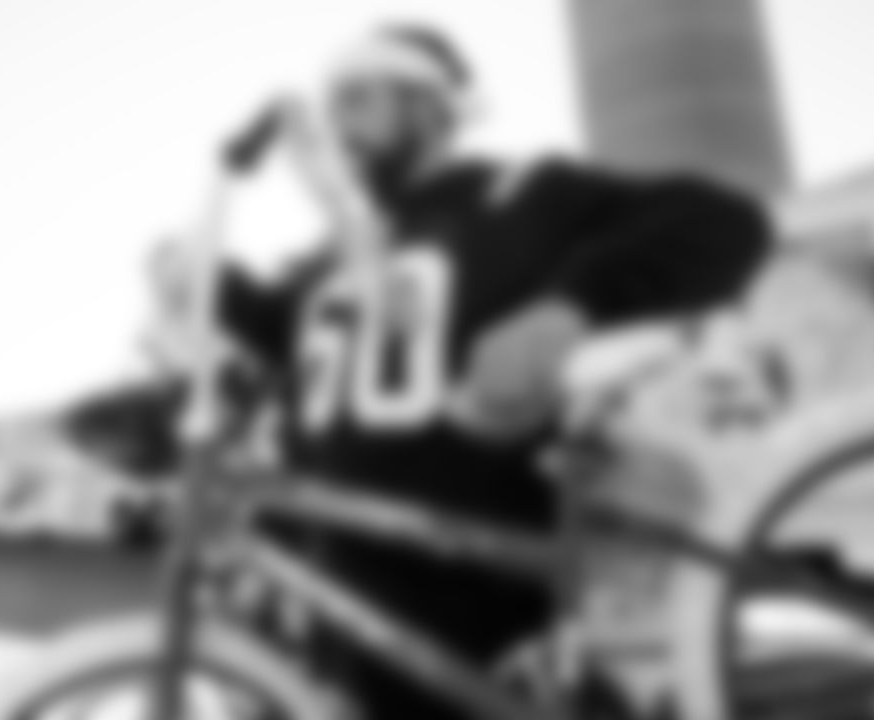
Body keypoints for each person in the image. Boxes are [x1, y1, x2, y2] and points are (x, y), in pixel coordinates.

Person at [154, 22, 774, 720]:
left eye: (359, 99)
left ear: (431, 108)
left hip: (481, 609)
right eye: (330, 108)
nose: (337, 126)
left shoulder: (520, 196)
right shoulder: (336, 256)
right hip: (343, 615)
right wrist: (215, 289)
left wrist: (572, 305)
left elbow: (722, 221)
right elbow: (302, 354)